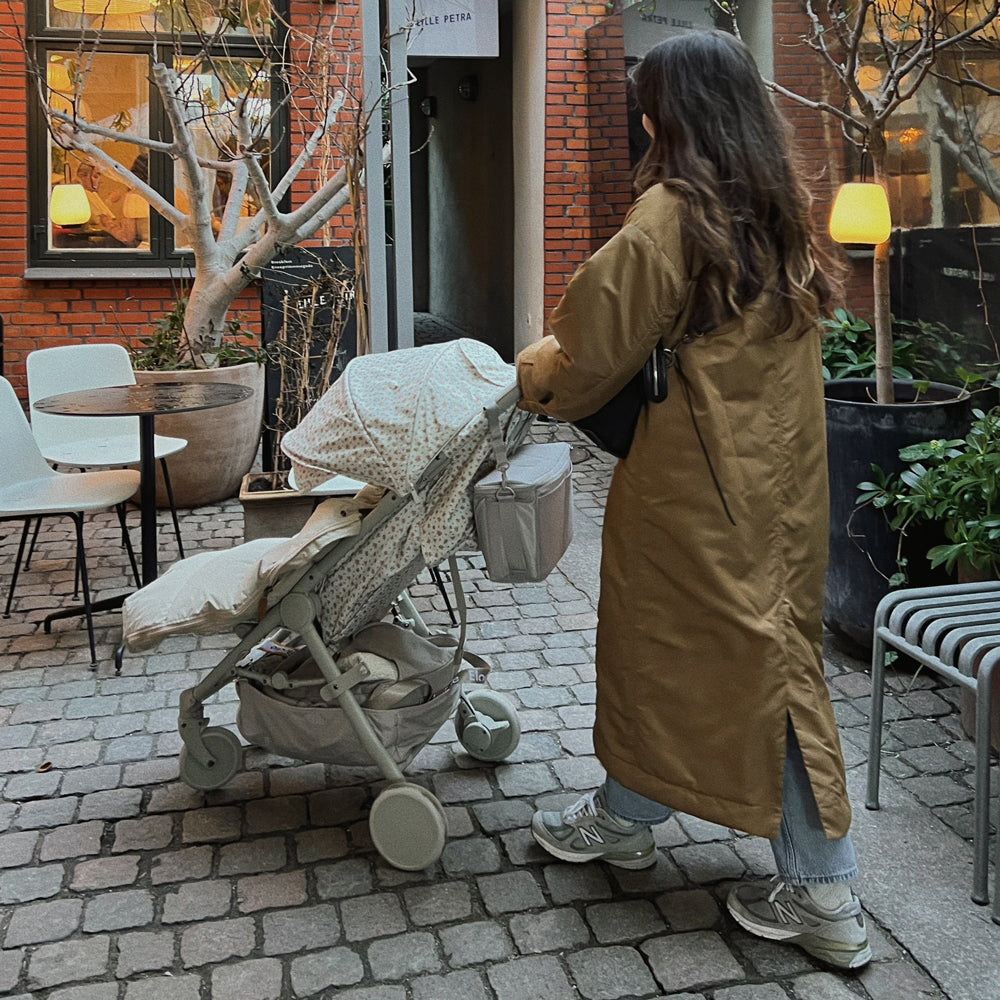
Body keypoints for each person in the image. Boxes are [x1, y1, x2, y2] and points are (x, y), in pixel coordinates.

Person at [516, 31, 871, 972]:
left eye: (646, 104)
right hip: (780, 481)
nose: (640, 120)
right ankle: (627, 811)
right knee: (715, 650)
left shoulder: (672, 213)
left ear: (669, 114)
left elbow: (587, 349)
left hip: (696, 484)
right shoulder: (777, 205)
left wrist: (531, 373)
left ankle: (825, 887)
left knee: (744, 659)